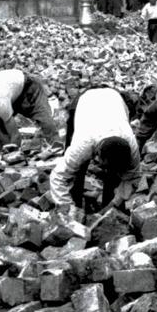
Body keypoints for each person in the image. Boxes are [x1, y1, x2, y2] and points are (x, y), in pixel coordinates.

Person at [49, 86, 140, 221]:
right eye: (103, 165)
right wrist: (67, 209)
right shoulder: (82, 146)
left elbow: (131, 178)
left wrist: (112, 206)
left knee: (115, 176)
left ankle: (108, 214)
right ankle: (76, 205)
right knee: (75, 170)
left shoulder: (132, 147)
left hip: (114, 99)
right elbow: (58, 177)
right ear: (97, 155)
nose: (102, 169)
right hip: (85, 101)